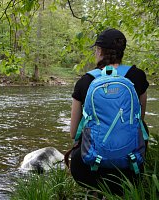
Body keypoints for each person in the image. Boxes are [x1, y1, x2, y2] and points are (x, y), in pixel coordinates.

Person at [69, 28, 149, 196]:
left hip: (90, 169)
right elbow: (139, 121)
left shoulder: (85, 81)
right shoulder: (138, 76)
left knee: (81, 141)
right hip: (132, 167)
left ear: (99, 51)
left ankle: (97, 190)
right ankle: (123, 189)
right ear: (121, 52)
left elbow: (72, 133)